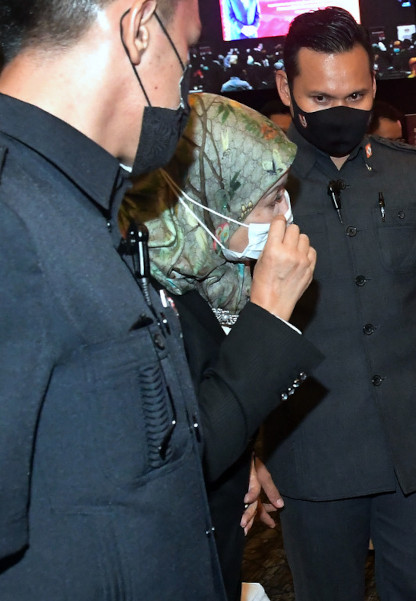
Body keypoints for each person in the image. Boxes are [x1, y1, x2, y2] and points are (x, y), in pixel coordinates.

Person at [0, 0, 226, 597]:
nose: (185, 93)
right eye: (187, 57)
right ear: (139, 30)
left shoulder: (70, 200)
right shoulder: (13, 220)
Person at [262, 6, 416, 601]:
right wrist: (247, 451)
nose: (341, 110)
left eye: (356, 95)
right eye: (321, 97)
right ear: (285, 87)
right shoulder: (255, 183)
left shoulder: (415, 174)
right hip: (311, 448)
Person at [120, 93, 323, 600]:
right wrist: (270, 310)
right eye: (272, 199)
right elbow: (185, 449)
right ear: (202, 197)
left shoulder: (211, 279)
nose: (286, 215)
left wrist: (244, 459)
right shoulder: (143, 298)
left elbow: (215, 401)